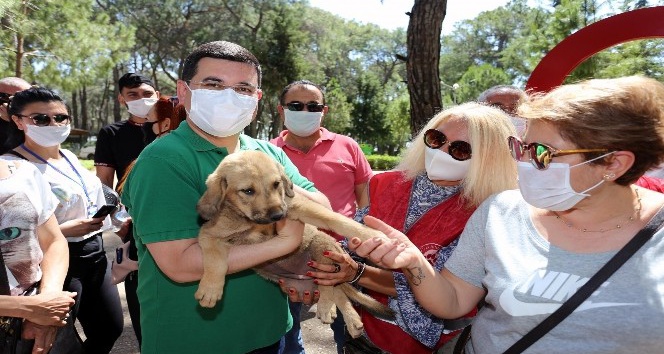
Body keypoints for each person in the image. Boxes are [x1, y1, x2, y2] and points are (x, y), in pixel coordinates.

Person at [350, 76, 664, 353]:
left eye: (542, 155)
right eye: (521, 147)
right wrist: (414, 262)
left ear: (613, 164)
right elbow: (454, 300)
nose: (523, 163)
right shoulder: (502, 210)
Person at [121, 40, 330, 354]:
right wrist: (283, 241)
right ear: (184, 90)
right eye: (213, 84)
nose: (229, 97)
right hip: (197, 341)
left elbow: (323, 206)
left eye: (244, 89)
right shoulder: (163, 161)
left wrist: (270, 183)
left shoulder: (265, 152)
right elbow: (180, 264)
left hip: (271, 330)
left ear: (256, 99)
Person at [307, 102, 517, 354]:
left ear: (488, 159)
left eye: (460, 150)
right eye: (436, 138)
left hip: (437, 343)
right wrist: (335, 260)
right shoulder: (386, 183)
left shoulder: (488, 212)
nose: (441, 150)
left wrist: (357, 273)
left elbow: (443, 288)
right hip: (365, 329)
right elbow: (351, 240)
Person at [3, 87, 124, 353]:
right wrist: (65, 230)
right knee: (55, 341)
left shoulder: (70, 157)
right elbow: (12, 232)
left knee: (109, 328)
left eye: (60, 118)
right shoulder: (12, 166)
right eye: (41, 119)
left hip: (95, 253)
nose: (53, 124)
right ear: (18, 121)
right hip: (55, 262)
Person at [269, 80, 373, 354]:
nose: (305, 110)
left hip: (342, 256)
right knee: (284, 333)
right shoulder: (266, 152)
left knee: (351, 334)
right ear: (282, 110)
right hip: (283, 256)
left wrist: (360, 244)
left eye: (313, 106)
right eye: (296, 105)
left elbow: (366, 196)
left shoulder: (348, 146)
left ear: (323, 111)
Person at [111, 95, 186, 346]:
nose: (144, 125)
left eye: (148, 121)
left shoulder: (152, 160)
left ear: (164, 125)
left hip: (150, 273)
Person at [0, 158, 76, 354]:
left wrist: (46, 306)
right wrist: (29, 308)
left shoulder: (26, 172)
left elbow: (53, 241)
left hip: (33, 324)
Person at [94, 72, 160, 188]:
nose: (142, 99)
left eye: (147, 93)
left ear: (157, 96)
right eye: (133, 95)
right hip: (130, 204)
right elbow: (105, 179)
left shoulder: (174, 128)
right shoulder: (111, 133)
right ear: (121, 99)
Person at [0, 77, 31, 155]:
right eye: (3, 96)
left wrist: (14, 122)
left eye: (19, 99)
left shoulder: (37, 121)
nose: (7, 103)